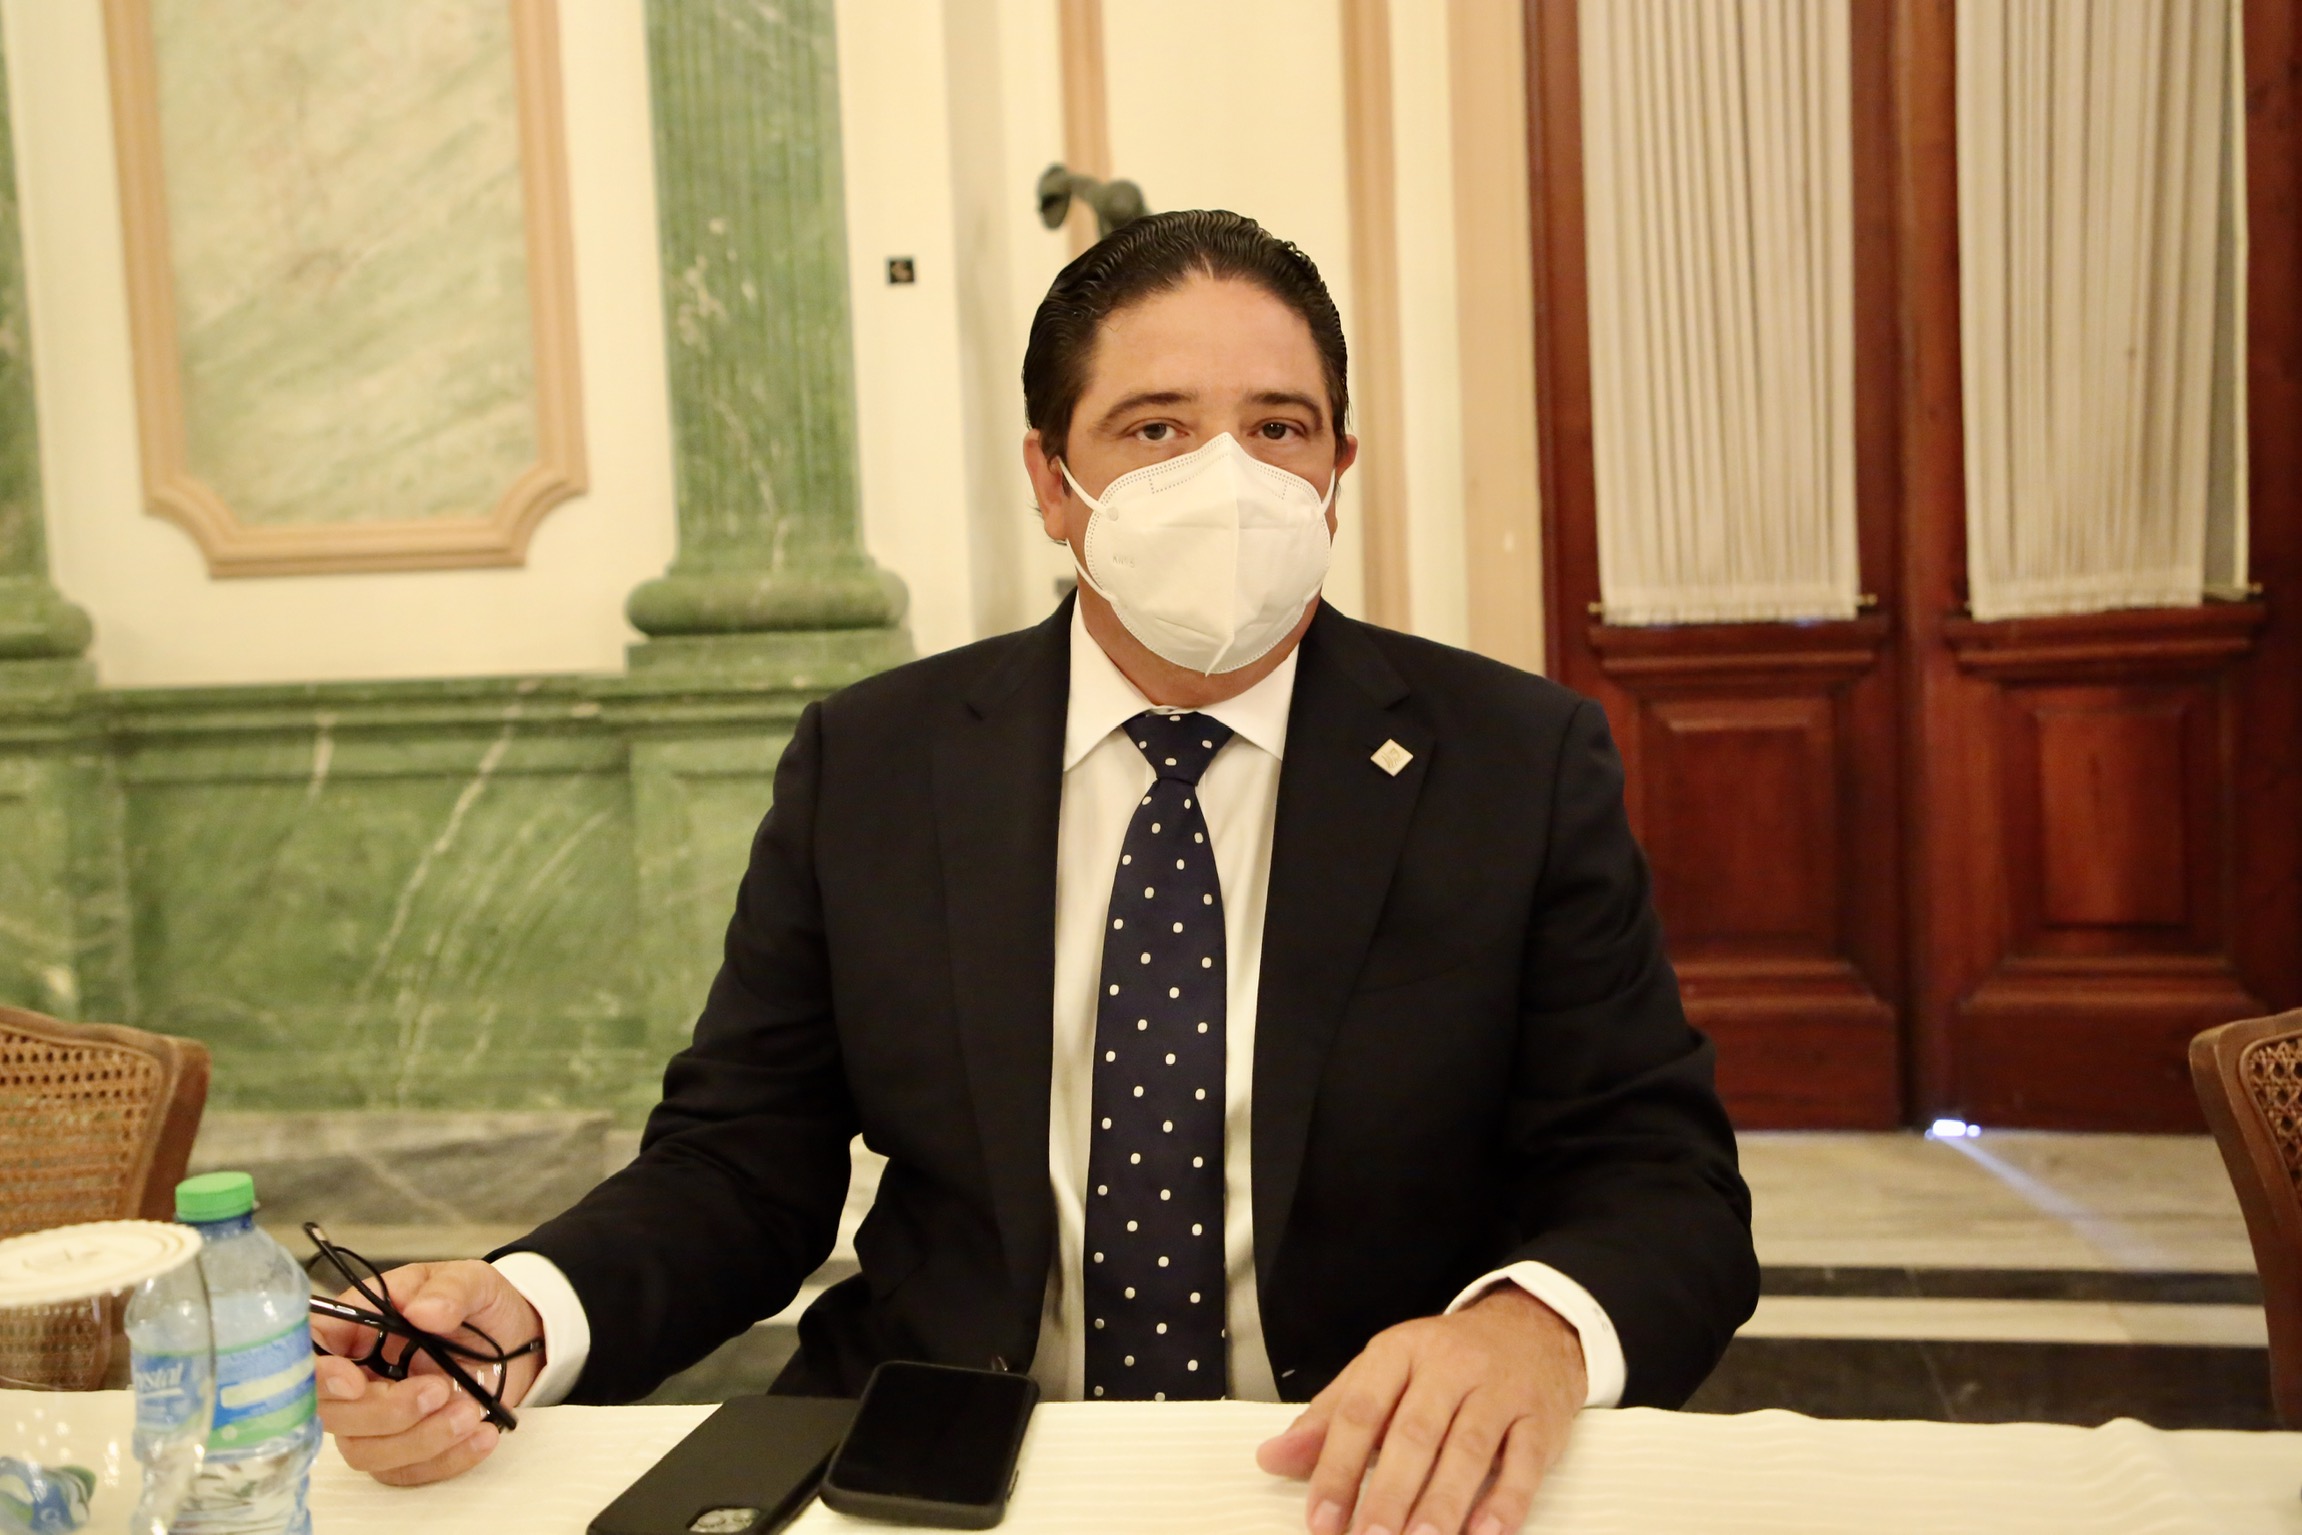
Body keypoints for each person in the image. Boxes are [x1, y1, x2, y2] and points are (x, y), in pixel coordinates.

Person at [314, 210, 1756, 1535]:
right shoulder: (874, 760)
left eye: (1278, 428)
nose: (1227, 479)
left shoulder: (1512, 760)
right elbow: (745, 1159)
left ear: (1336, 475)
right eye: (1154, 428)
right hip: (932, 1456)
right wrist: (528, 1305)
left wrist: (1531, 1330)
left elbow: (1658, 1175)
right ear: (1051, 485)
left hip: (1357, 1467)